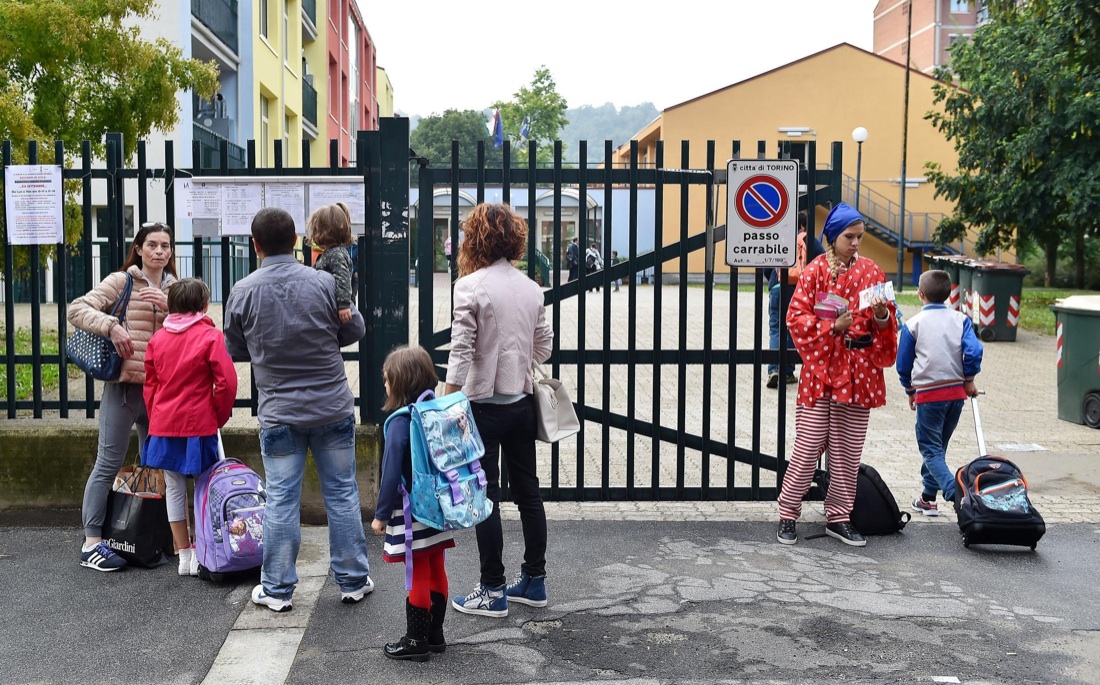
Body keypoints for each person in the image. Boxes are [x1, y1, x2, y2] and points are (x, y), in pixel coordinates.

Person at [224, 206, 373, 612]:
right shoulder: (324, 282)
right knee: (341, 492)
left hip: (280, 412)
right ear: (295, 241)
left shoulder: (242, 291)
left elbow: (235, 347)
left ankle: (276, 589)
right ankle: (353, 580)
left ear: (255, 245)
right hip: (331, 406)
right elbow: (355, 328)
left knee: (281, 500)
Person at [445, 203, 554, 618]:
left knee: (486, 496)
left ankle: (492, 589)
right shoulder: (531, 288)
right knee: (529, 492)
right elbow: (544, 346)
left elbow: (461, 350)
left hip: (483, 408)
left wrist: (447, 398)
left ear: (475, 239)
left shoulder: (469, 286)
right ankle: (534, 581)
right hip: (522, 404)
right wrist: (518, 360)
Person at [775, 202, 898, 548]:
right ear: (832, 236)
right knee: (808, 445)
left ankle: (840, 517)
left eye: (860, 237)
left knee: (847, 451)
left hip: (859, 374)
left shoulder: (873, 272)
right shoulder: (814, 271)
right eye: (849, 236)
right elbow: (795, 319)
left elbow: (888, 324)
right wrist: (832, 326)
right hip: (822, 371)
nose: (856, 243)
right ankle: (788, 512)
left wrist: (881, 316)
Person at [68, 221, 178, 571]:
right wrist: (111, 326)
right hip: (124, 389)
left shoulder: (176, 288)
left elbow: (200, 324)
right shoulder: (122, 281)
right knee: (108, 463)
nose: (159, 251)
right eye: (152, 245)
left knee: (156, 467)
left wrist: (172, 306)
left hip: (161, 392)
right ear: (139, 249)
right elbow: (76, 309)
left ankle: (146, 535)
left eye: (165, 245)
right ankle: (92, 543)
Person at [142, 278, 238, 576]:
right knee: (204, 487)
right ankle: (203, 550)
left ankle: (184, 556)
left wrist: (157, 417)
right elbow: (226, 382)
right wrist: (217, 416)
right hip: (199, 424)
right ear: (204, 305)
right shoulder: (210, 336)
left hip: (165, 425)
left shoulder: (158, 339)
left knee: (173, 488)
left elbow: (150, 386)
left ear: (170, 305)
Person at [372, 346, 455, 662]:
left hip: (412, 512)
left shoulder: (399, 421)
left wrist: (381, 515)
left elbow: (391, 471)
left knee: (417, 568)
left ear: (400, 383)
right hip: (439, 506)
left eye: (387, 379)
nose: (384, 385)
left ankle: (416, 640)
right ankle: (435, 634)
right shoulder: (435, 412)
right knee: (436, 565)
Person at [896, 269, 983, 516]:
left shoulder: (913, 325)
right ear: (949, 294)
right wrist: (969, 378)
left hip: (929, 395)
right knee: (938, 448)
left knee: (930, 449)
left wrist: (909, 389)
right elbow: (974, 351)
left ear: (920, 294)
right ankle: (927, 498)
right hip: (956, 395)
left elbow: (903, 364)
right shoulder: (961, 320)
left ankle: (956, 494)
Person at [766, 211, 823, 388]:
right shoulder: (810, 240)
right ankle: (788, 372)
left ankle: (773, 369)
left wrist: (774, 282)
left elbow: (766, 266)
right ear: (804, 225)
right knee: (792, 329)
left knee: (776, 330)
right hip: (799, 291)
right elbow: (822, 262)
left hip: (777, 289)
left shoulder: (780, 238)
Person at [307, 202, 355, 324]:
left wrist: (344, 305)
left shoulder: (336, 255)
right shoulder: (332, 253)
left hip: (333, 309)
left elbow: (342, 278)